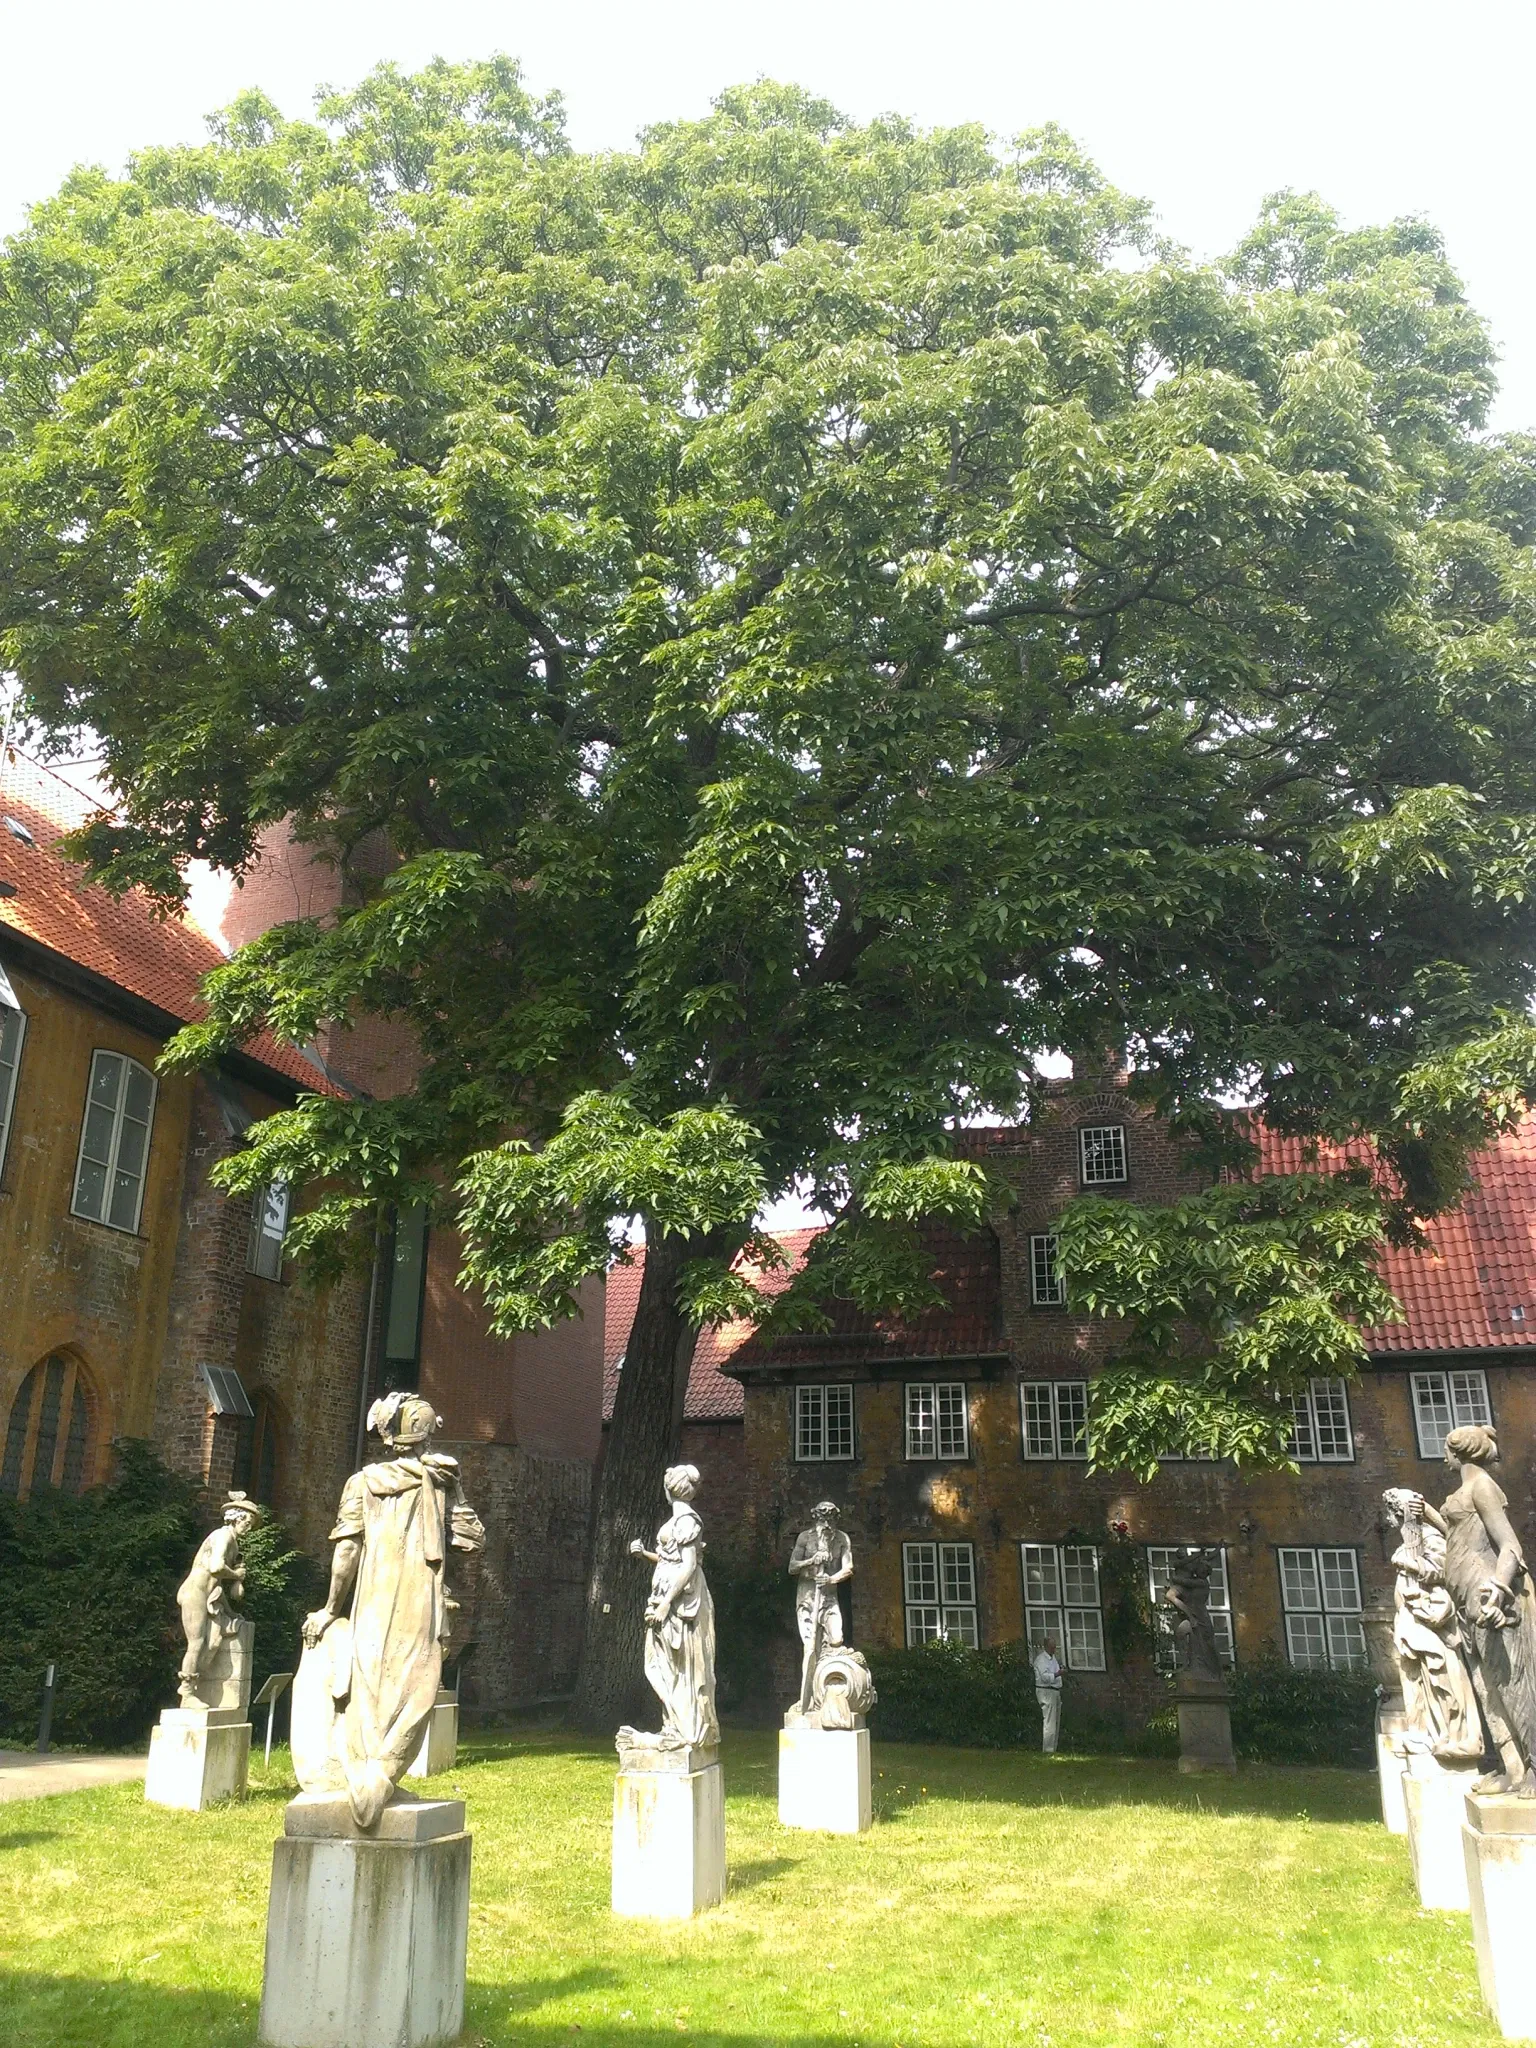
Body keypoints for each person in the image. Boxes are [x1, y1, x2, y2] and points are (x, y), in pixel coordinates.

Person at [297, 1392, 485, 1829]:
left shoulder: (362, 1483)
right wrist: (453, 1491)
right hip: (419, 1600)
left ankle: (371, 1777)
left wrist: (329, 1608)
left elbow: (346, 1551)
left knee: (368, 1683)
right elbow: (473, 1540)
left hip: (372, 1602)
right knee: (415, 1684)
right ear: (425, 1432)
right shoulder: (437, 1481)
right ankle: (380, 1779)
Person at [1418, 1425, 1536, 1796]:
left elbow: (1510, 1547)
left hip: (1488, 1600)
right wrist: (1428, 1516)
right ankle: (1513, 1768)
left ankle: (1533, 1767)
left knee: (1514, 1686)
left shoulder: (1483, 1487)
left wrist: (1497, 1592)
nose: (1443, 1458)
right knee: (1488, 1690)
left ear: (1460, 1453)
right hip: (1467, 1599)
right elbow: (1460, 1535)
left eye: (1447, 1451)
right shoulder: (1467, 1490)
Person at [624, 1463, 719, 1752]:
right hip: (666, 1598)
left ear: (670, 1489)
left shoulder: (688, 1521)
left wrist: (666, 1604)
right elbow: (671, 1560)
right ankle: (673, 1725)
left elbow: (689, 1566)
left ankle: (685, 1728)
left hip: (681, 1604)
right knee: (662, 1664)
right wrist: (645, 1555)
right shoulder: (677, 1522)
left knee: (682, 1664)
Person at [176, 1490, 261, 1703]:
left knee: (211, 1643)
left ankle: (197, 1687)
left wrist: (232, 1613)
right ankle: (186, 1692)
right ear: (236, 1518)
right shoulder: (223, 1535)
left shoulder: (234, 1543)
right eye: (247, 1522)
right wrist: (236, 1575)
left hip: (208, 1595)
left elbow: (217, 1587)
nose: (248, 1527)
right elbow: (215, 1568)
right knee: (197, 1643)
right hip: (195, 1592)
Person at [1032, 1634, 1063, 1754]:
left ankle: (1053, 1749)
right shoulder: (1041, 1660)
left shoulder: (1053, 1658)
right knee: (1049, 1721)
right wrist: (1058, 1674)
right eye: (1052, 1647)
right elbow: (1045, 1677)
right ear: (1046, 1647)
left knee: (1055, 1721)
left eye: (1055, 1647)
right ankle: (1048, 1750)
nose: (1054, 1650)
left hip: (1055, 1690)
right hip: (1046, 1691)